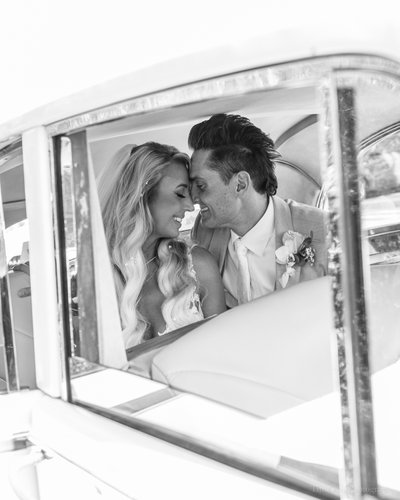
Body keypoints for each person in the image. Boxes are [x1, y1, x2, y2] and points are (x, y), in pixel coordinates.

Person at [188, 113, 327, 308]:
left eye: (201, 186)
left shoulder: (324, 232)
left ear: (240, 184)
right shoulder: (203, 230)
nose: (192, 197)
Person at [99, 142, 226, 348]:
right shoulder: (97, 280)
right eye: (179, 193)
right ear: (143, 195)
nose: (190, 205)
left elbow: (225, 353)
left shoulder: (199, 266)